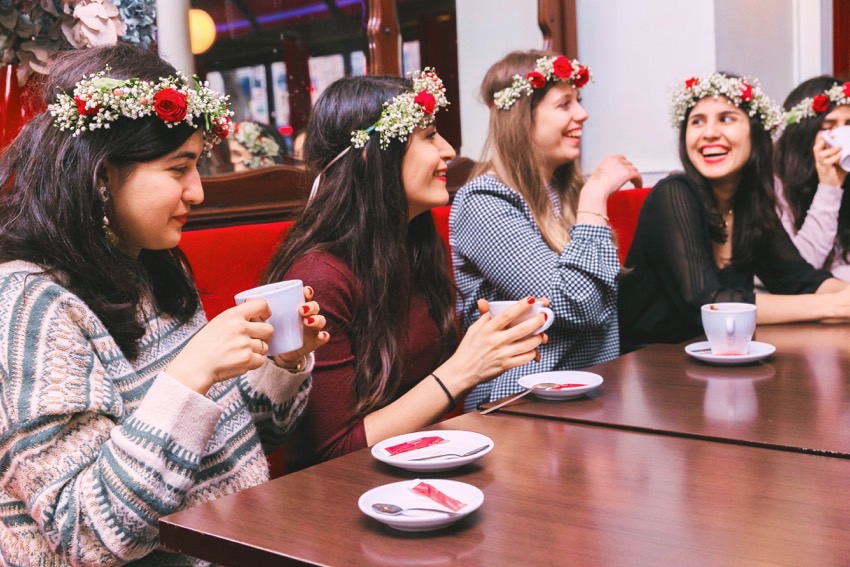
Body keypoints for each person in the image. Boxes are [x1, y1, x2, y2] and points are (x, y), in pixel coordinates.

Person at [0, 44, 329, 565]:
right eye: (179, 169)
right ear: (101, 175)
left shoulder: (153, 269)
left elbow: (231, 449)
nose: (198, 192)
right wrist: (190, 375)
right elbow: (87, 533)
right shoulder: (31, 307)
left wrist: (281, 363)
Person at [263, 70, 547, 470]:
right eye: (429, 136)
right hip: (344, 489)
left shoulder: (415, 245)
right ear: (371, 155)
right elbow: (336, 451)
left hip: (426, 464)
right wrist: (463, 369)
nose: (448, 150)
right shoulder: (321, 278)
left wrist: (491, 344)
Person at [450, 50, 642, 410]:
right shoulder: (484, 201)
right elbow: (577, 305)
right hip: (518, 401)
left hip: (591, 390)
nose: (582, 114)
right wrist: (596, 195)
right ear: (522, 118)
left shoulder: (564, 191)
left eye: (578, 101)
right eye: (564, 104)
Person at [619, 72, 850, 350]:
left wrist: (842, 294)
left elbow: (800, 278)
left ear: (755, 133)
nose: (709, 133)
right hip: (654, 364)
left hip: (724, 355)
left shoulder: (749, 203)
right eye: (697, 121)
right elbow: (708, 304)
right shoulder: (673, 193)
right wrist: (834, 306)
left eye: (726, 119)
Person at [774, 76, 850, 281]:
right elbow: (797, 272)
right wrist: (829, 187)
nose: (842, 134)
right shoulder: (773, 186)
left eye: (849, 124)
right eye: (828, 126)